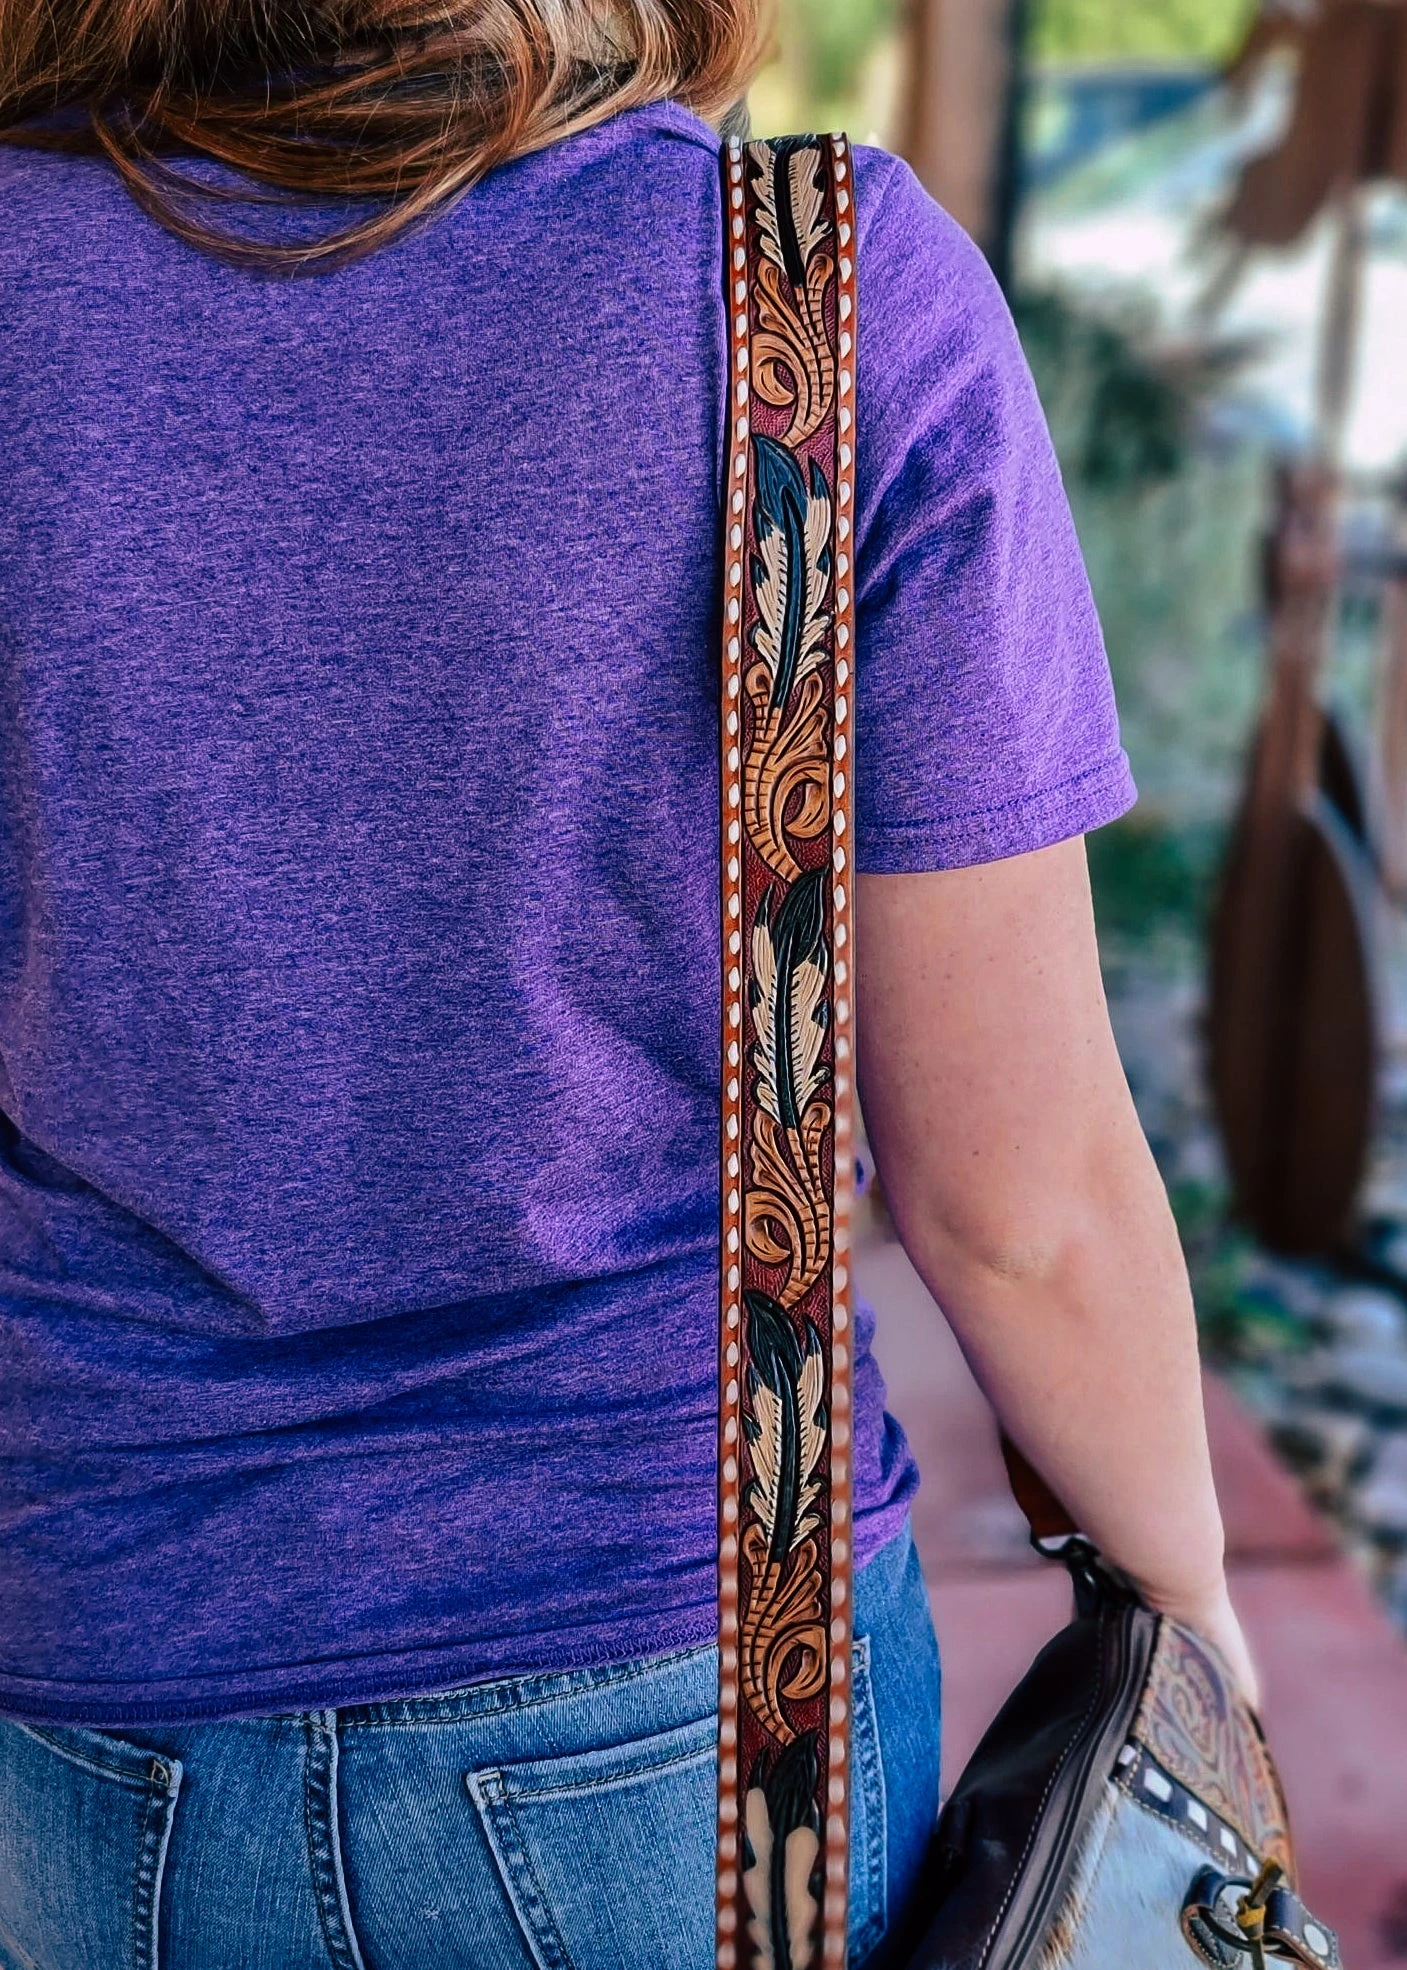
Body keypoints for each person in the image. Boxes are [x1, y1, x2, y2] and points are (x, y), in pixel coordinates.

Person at [0, 3, 1255, 1965]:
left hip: (85, 1674)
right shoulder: (818, 297)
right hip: (690, 1695)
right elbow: (1017, 1207)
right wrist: (1192, 1630)